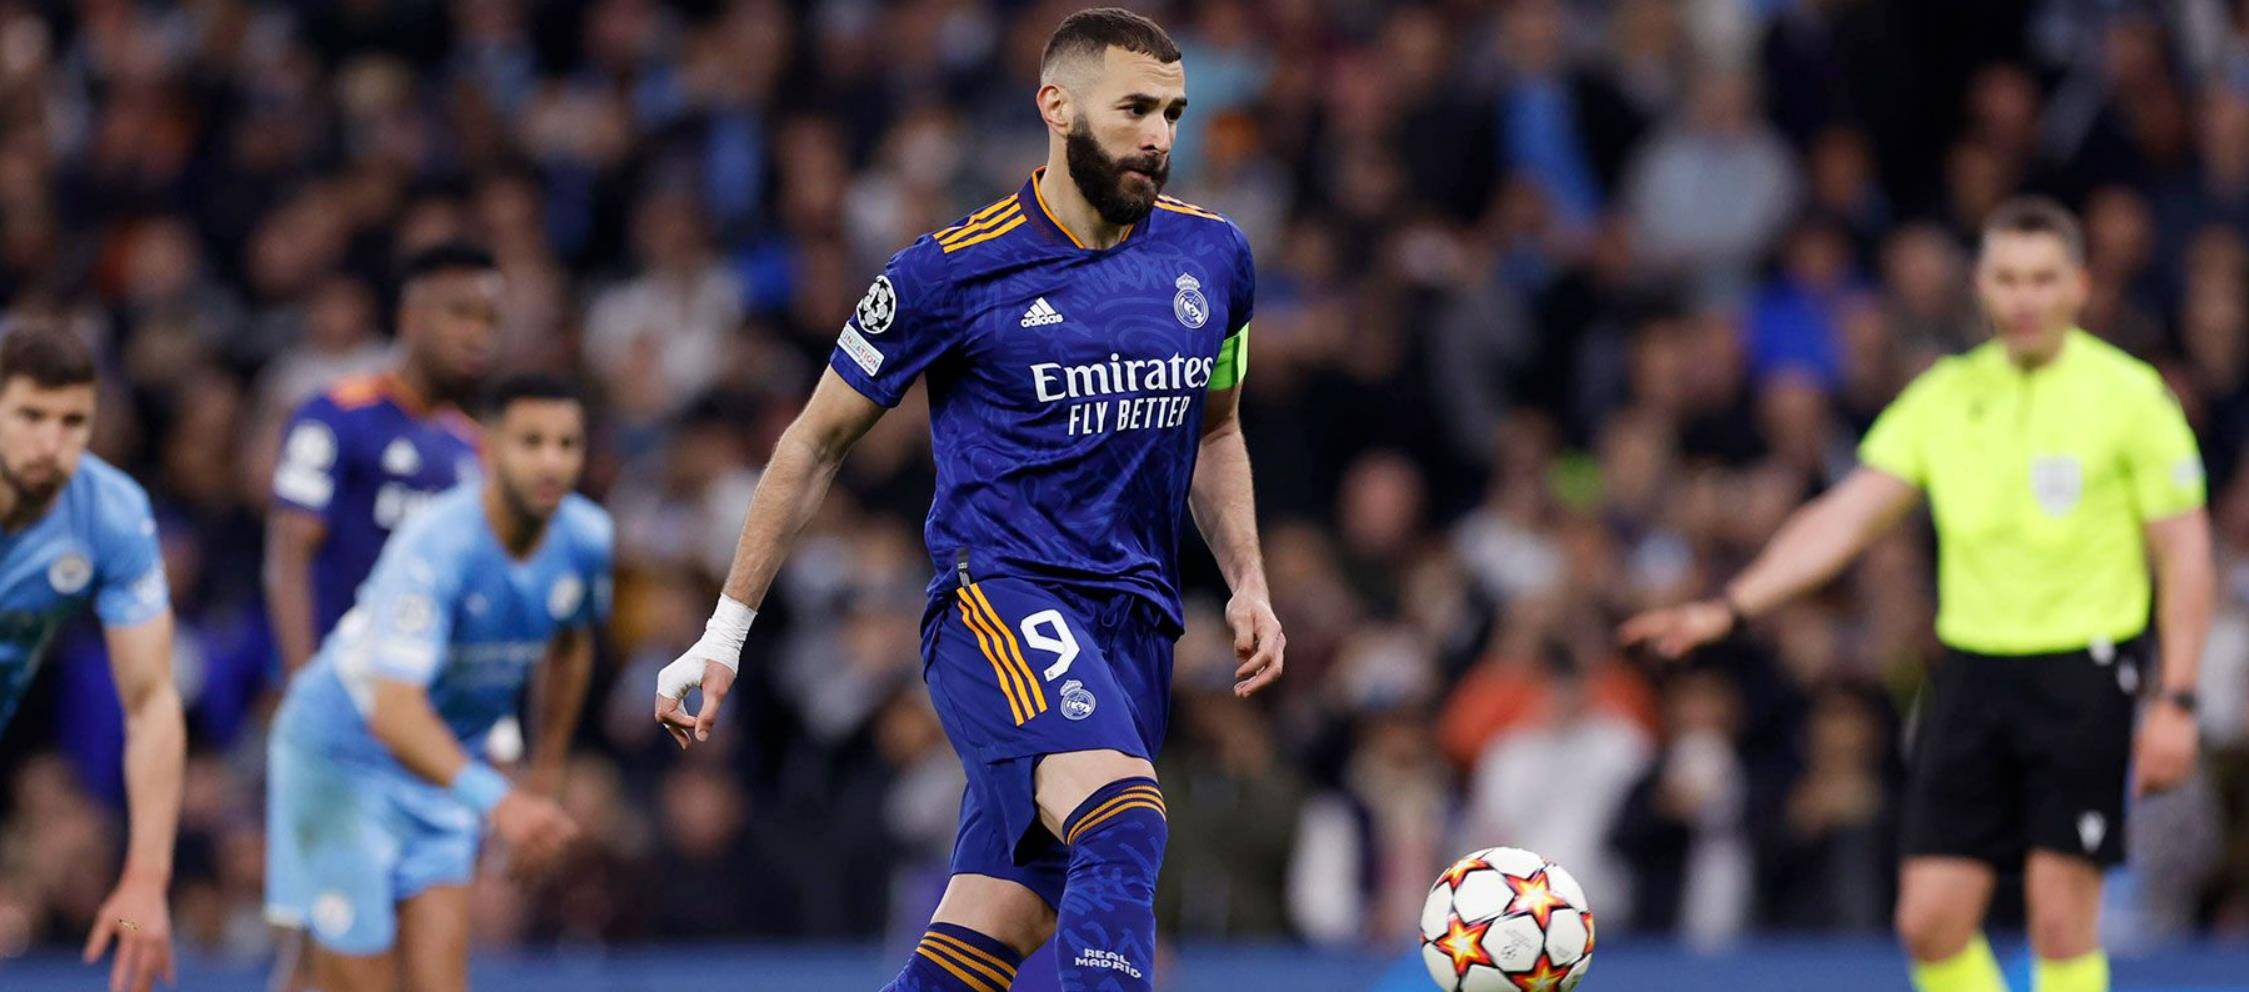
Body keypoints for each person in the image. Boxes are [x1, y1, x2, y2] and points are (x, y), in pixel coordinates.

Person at [651, 8, 1283, 991]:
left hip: (1136, 628)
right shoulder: (948, 270)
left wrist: (1247, 579)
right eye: (1133, 109)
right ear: (1056, 107)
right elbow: (811, 443)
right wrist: (723, 633)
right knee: (1122, 818)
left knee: (1000, 921)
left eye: (1172, 112)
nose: (1159, 135)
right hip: (1000, 600)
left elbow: (1215, 430)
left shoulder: (1214, 257)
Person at [1622, 197, 2211, 992]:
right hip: (1969, 674)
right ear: (1981, 286)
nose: (2024, 298)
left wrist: (2176, 697)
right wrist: (1730, 605)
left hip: (2084, 669)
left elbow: (2183, 550)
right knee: (1928, 924)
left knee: (2059, 917)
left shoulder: (2128, 396)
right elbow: (1845, 515)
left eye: (2042, 278)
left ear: (2077, 285)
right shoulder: (1945, 394)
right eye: (2007, 278)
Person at [264, 374, 606, 992]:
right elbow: (393, 712)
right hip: (340, 758)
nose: (551, 462)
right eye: (531, 442)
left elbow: (570, 645)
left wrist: (544, 776)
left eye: (567, 444)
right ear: (490, 448)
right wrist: (502, 801)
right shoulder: (436, 544)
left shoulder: (586, 539)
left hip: (437, 766)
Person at [0, 325, 182, 992]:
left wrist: (146, 880)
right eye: (30, 416)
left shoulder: (111, 514)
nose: (53, 443)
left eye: (73, 421)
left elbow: (151, 703)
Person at [266, 243, 496, 677]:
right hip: (339, 683)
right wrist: (304, 685)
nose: (478, 335)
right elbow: (289, 556)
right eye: (461, 314)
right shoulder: (335, 415)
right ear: (411, 318)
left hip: (424, 694)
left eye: (490, 320)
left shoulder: (476, 449)